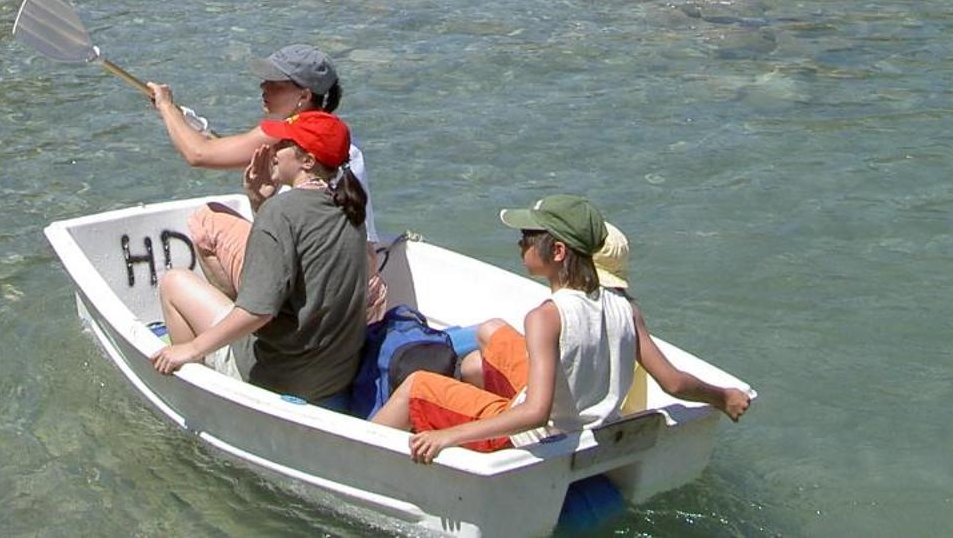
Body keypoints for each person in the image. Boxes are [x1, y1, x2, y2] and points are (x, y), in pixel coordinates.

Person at [370, 195, 749, 461]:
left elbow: (535, 412)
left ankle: (364, 453)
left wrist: (446, 436)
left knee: (418, 385)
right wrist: (723, 396)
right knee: (490, 337)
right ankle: (466, 386)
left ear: (558, 252)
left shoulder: (546, 317)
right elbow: (675, 383)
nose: (520, 243)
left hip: (526, 439)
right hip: (582, 423)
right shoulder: (625, 308)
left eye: (528, 238)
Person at [150, 110, 369, 409]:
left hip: (280, 375)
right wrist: (259, 204)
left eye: (283, 144)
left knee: (174, 284)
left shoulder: (282, 212)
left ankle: (198, 402)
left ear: (307, 161)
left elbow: (259, 312)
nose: (272, 151)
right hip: (335, 373)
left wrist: (190, 349)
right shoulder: (351, 206)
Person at [147, 45, 382, 312]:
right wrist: (188, 122)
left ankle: (238, 320)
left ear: (304, 95)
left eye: (275, 83)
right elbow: (223, 149)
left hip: (306, 286)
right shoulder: (335, 137)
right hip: (354, 282)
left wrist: (167, 107)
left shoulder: (284, 137)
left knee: (206, 221)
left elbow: (199, 154)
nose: (263, 87)